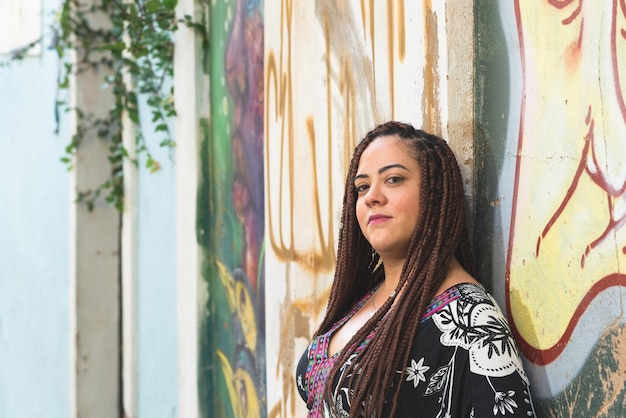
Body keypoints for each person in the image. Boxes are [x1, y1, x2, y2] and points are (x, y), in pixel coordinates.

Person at [296, 121, 536, 417]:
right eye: (362, 186)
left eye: (393, 179)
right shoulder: (366, 297)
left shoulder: (471, 321)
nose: (372, 195)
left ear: (434, 192)